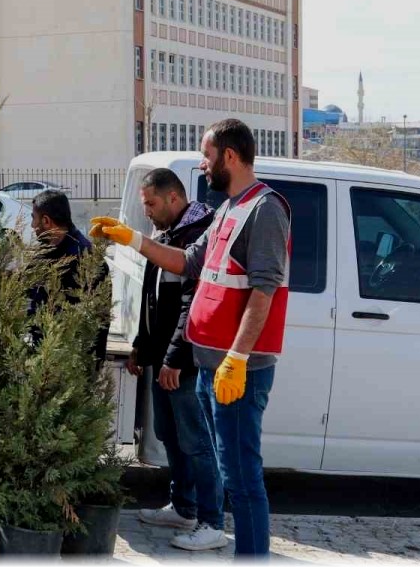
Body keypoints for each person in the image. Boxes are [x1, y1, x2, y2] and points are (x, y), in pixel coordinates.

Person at [91, 119, 291, 558]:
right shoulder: (227, 210)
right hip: (207, 365)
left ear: (231, 157)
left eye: (208, 156)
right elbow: (187, 262)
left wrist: (237, 357)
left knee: (241, 477)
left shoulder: (265, 209)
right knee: (225, 467)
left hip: (236, 370)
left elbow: (265, 288)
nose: (203, 165)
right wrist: (133, 239)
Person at [127, 169, 226, 551]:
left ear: (173, 198)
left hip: (184, 363)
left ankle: (211, 522)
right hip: (162, 359)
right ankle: (183, 506)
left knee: (198, 442)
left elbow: (192, 306)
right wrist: (141, 344)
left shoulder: (198, 236)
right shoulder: (164, 235)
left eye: (151, 204)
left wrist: (173, 359)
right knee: (170, 436)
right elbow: (151, 296)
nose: (147, 212)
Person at [27, 189, 109, 363]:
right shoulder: (44, 251)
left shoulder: (85, 257)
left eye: (33, 218)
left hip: (72, 363)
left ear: (46, 221)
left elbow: (96, 321)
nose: (32, 226)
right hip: (44, 355)